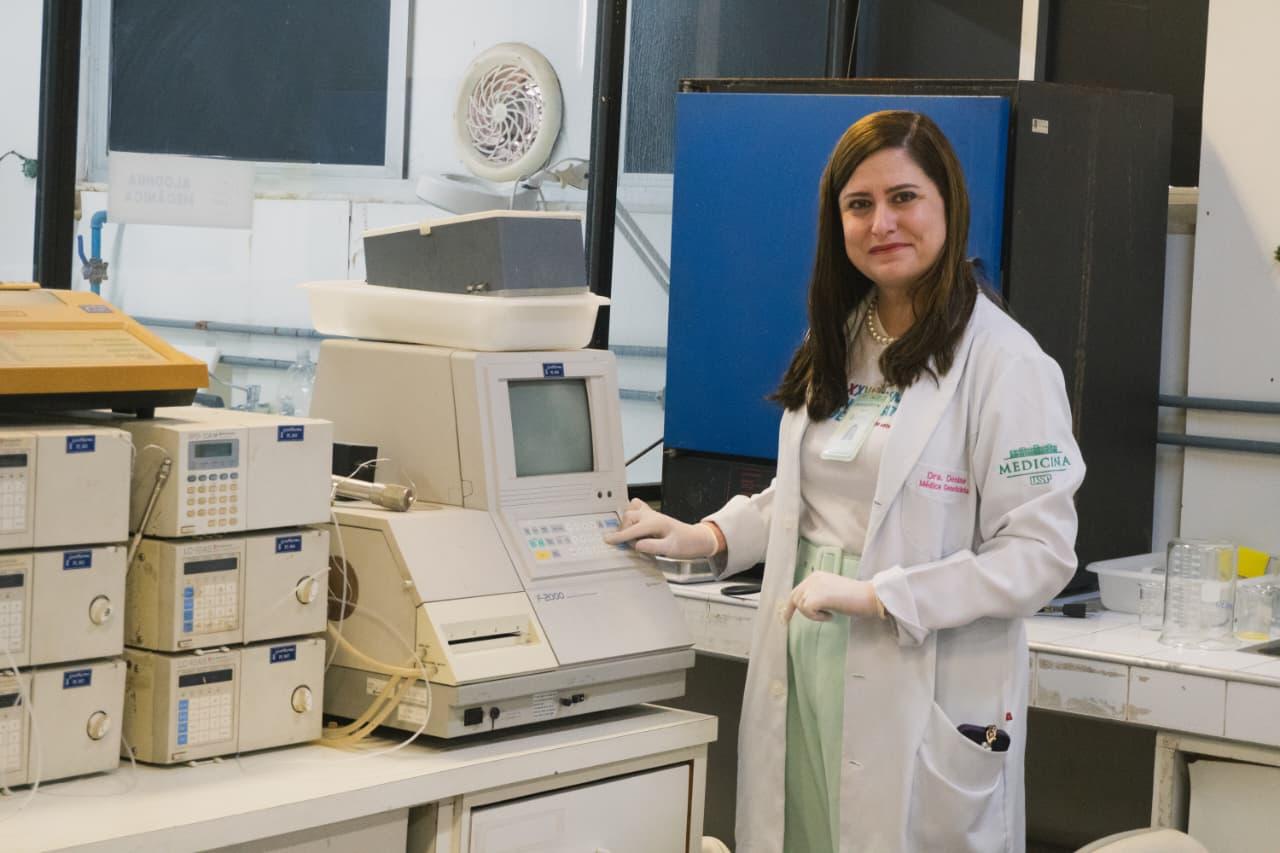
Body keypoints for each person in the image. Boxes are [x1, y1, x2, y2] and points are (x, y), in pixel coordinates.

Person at [605, 110, 1084, 853]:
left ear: (947, 206)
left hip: (914, 673)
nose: (881, 222)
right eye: (859, 205)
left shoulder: (1006, 363)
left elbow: (1040, 556)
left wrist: (884, 595)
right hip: (805, 658)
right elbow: (807, 495)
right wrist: (708, 535)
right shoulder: (841, 336)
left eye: (904, 198)